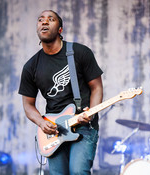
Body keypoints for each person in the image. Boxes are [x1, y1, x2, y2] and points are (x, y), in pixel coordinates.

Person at [19, 10, 103, 175]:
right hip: (54, 130)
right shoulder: (31, 66)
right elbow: (28, 105)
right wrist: (42, 123)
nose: (44, 22)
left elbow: (97, 87)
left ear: (60, 29)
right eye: (41, 20)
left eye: (51, 19)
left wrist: (91, 113)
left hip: (83, 125)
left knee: (78, 172)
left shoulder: (79, 53)